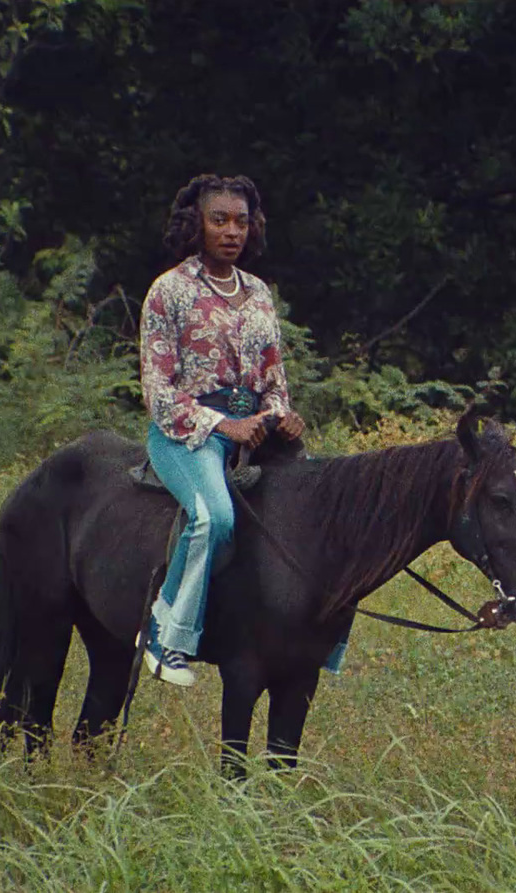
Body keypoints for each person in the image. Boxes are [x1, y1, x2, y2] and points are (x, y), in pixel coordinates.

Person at [139, 174, 305, 686]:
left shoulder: (258, 294)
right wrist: (225, 426)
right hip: (187, 433)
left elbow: (274, 377)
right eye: (220, 220)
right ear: (197, 225)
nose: (232, 231)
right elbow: (158, 389)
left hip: (255, 431)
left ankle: (317, 641)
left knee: (318, 514)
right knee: (215, 519)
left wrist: (281, 415)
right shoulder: (169, 291)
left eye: (241, 221)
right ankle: (167, 632)